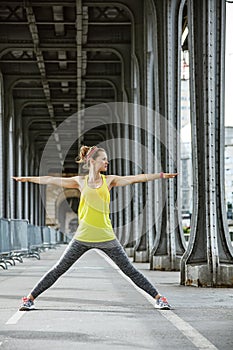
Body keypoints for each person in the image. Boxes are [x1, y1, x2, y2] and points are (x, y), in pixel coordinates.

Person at [13, 145, 178, 311]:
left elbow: (135, 178)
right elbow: (50, 180)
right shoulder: (80, 181)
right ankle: (29, 299)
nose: (107, 162)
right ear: (92, 161)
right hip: (82, 237)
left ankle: (159, 298)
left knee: (129, 270)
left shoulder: (109, 180)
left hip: (106, 237)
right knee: (59, 269)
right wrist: (27, 178)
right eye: (103, 159)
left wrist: (161, 175)